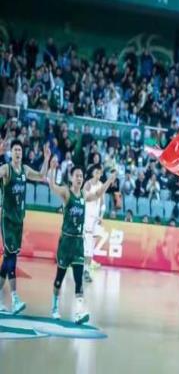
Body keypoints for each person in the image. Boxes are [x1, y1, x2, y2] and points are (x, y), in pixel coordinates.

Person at [48, 158, 117, 324]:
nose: (79, 178)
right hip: (66, 242)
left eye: (81, 176)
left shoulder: (84, 195)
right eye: (77, 176)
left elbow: (98, 194)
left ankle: (79, 312)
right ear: (71, 178)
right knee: (59, 279)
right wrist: (52, 169)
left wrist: (109, 181)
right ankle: (55, 307)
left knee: (79, 280)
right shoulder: (67, 193)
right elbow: (52, 187)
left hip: (78, 243)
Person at [0, 139, 51, 314]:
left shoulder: (25, 170)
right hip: (7, 219)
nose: (18, 152)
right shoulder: (6, 169)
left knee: (8, 258)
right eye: (15, 150)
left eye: (20, 150)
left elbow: (41, 176)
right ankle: (14, 298)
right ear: (11, 153)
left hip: (19, 220)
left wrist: (46, 159)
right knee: (12, 257)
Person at [83, 164, 105, 283]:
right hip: (86, 218)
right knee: (85, 244)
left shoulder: (101, 185)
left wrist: (101, 216)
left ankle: (86, 270)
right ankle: (79, 266)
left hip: (95, 220)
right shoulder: (88, 184)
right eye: (96, 172)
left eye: (99, 172)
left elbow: (103, 204)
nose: (98, 174)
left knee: (90, 246)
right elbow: (83, 199)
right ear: (93, 173)